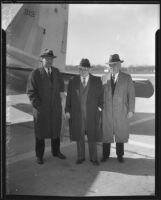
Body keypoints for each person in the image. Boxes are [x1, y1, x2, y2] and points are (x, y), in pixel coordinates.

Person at [26, 49, 66, 164]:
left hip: (55, 109)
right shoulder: (35, 74)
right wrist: (39, 106)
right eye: (46, 58)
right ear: (41, 59)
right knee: (40, 133)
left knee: (55, 131)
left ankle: (56, 152)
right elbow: (31, 92)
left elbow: (62, 89)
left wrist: (62, 104)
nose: (49, 61)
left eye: (51, 59)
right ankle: (39, 156)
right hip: (41, 110)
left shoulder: (57, 72)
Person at [65, 58, 103, 166]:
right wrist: (67, 110)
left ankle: (94, 158)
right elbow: (69, 98)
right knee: (79, 135)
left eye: (86, 68)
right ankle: (80, 157)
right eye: (81, 68)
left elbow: (101, 97)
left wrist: (100, 108)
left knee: (92, 136)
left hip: (92, 114)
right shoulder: (73, 81)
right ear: (79, 69)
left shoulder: (96, 80)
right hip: (77, 113)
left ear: (89, 69)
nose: (83, 71)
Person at [101, 54, 135, 163]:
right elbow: (99, 95)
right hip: (107, 111)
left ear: (119, 65)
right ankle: (105, 155)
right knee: (106, 133)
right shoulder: (103, 78)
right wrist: (99, 107)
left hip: (121, 111)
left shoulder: (127, 78)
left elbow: (132, 96)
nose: (113, 67)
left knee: (120, 133)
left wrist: (131, 110)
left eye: (115, 64)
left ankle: (120, 155)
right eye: (111, 65)